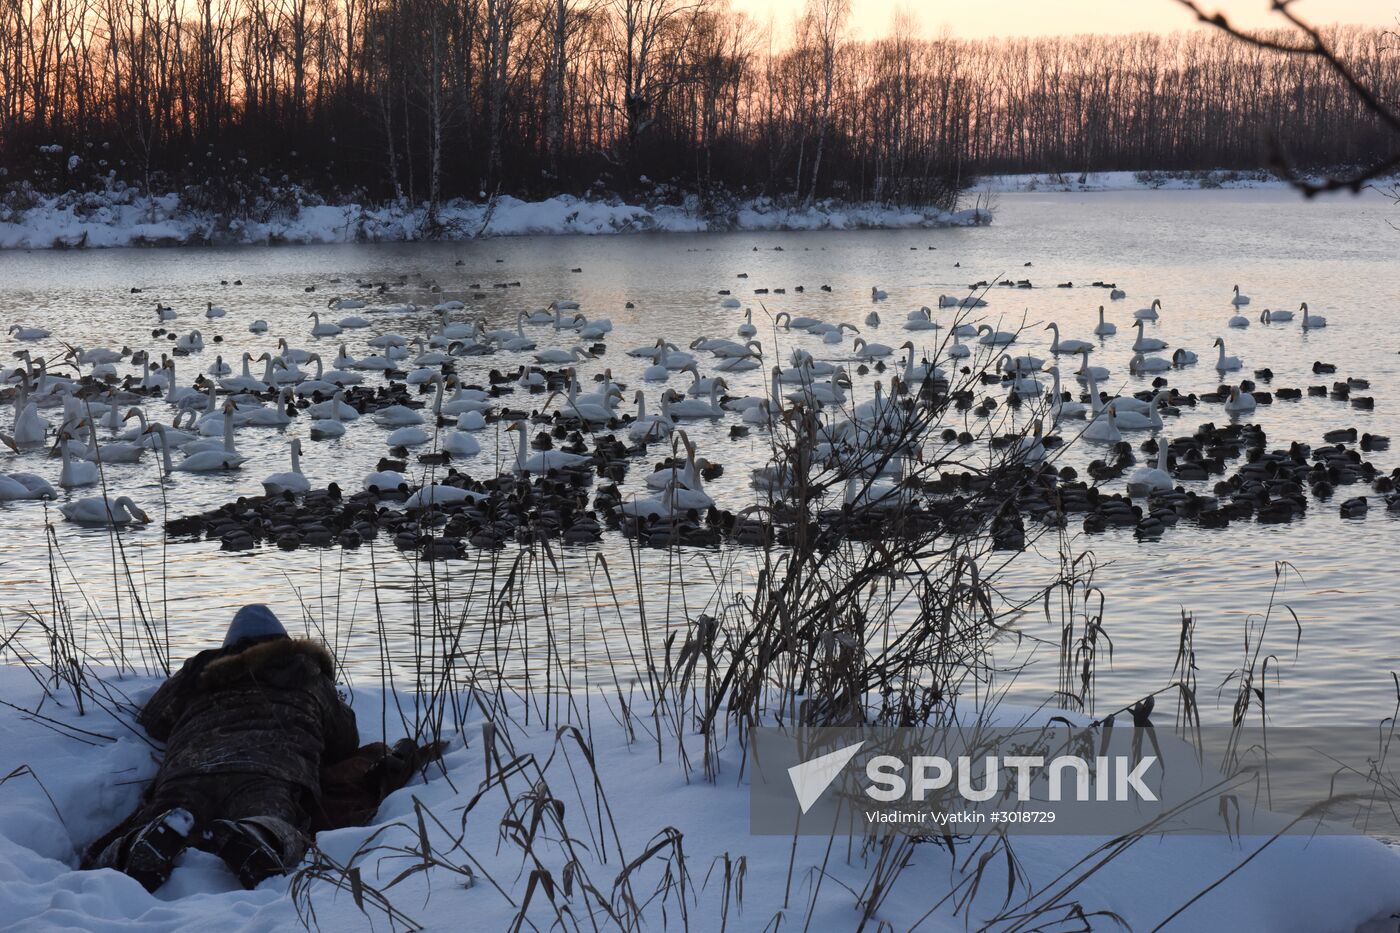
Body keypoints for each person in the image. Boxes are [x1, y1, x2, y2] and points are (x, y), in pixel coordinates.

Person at [85, 605, 359, 891]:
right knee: (274, 821)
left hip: (191, 770)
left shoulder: (199, 670)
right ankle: (255, 836)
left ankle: (137, 846)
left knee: (160, 816)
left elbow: (154, 721)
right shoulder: (307, 672)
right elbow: (343, 742)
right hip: (268, 772)